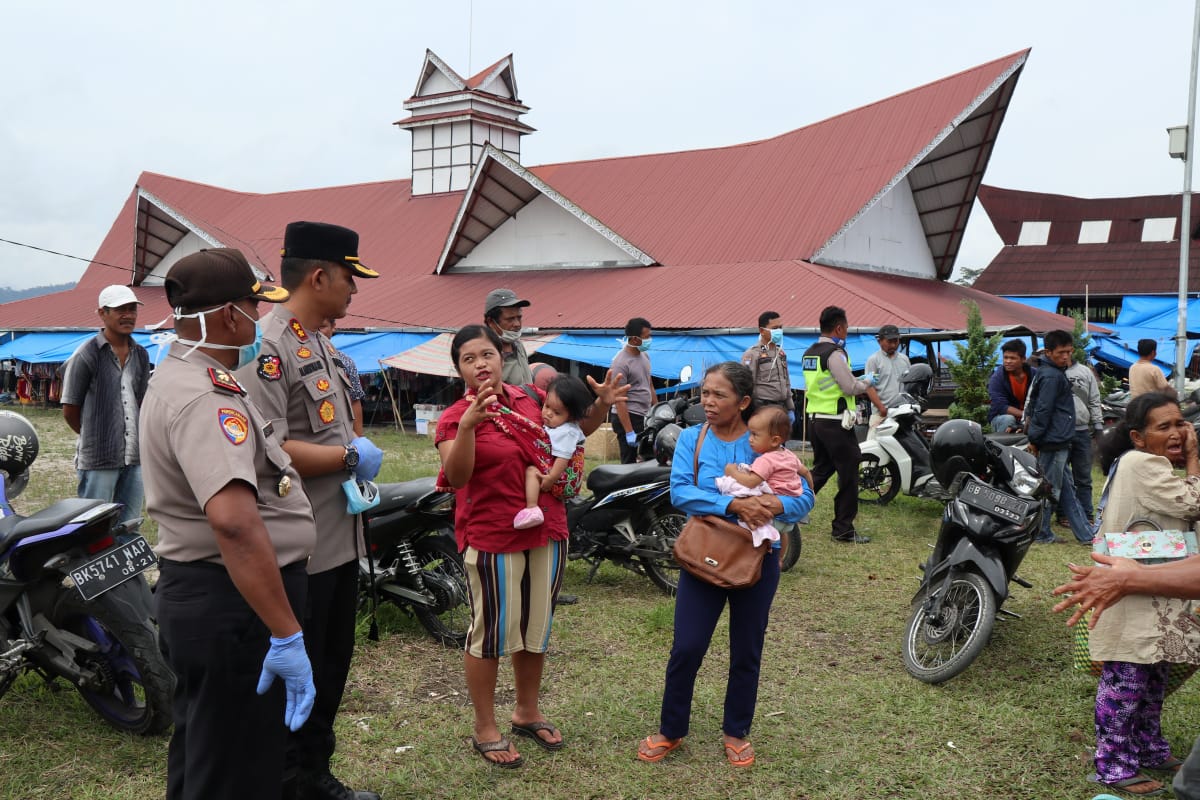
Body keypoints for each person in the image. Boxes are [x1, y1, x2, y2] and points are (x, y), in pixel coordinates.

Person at [141, 248, 317, 800]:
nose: (259, 318)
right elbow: (235, 524)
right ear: (227, 314)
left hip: (217, 597)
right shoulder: (204, 396)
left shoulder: (188, 377)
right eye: (253, 305)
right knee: (237, 769)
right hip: (233, 605)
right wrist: (286, 632)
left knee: (209, 755)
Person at [238, 221, 384, 800]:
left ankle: (315, 775)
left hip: (339, 537)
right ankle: (287, 782)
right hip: (301, 546)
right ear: (319, 276)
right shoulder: (268, 345)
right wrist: (348, 455)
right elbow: (267, 447)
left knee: (331, 665)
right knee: (298, 677)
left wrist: (350, 451)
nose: (355, 289)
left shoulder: (318, 341)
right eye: (350, 276)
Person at [435, 325, 626, 768]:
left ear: (501, 357)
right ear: (459, 369)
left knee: (535, 628)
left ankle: (526, 711)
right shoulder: (454, 417)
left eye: (487, 354)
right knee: (490, 633)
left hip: (547, 530)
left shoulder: (530, 400)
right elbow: (457, 477)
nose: (481, 364)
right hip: (493, 535)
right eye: (469, 359)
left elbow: (572, 434)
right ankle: (486, 726)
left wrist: (601, 405)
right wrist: (469, 427)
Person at [637, 362, 814, 768]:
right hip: (704, 556)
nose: (709, 402)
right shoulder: (692, 438)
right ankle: (671, 730)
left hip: (757, 561)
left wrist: (773, 504)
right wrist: (734, 504)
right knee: (687, 647)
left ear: (744, 401)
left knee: (747, 649)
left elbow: (804, 498)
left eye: (720, 395)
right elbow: (681, 492)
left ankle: (736, 731)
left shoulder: (767, 442)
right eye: (706, 393)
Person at [1051, 392, 1200, 798]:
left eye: (1180, 423)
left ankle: (1149, 748)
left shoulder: (1144, 464)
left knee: (1152, 677)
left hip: (1150, 589)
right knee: (1126, 682)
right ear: (1138, 436)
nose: (1177, 433)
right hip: (1132, 593)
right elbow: (1193, 502)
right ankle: (1113, 765)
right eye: (1164, 427)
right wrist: (1193, 458)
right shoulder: (1141, 463)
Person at [60, 284, 150, 528]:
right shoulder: (86, 354)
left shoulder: (141, 354)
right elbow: (70, 409)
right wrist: (96, 436)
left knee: (129, 526)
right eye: (121, 310)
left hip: (134, 456)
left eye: (132, 309)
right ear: (102, 313)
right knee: (94, 527)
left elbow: (141, 401)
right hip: (98, 459)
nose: (128, 315)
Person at [800, 306, 885, 544]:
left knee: (822, 468)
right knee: (849, 473)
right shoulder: (835, 353)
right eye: (846, 328)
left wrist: (857, 381)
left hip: (816, 418)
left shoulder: (809, 353)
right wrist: (866, 382)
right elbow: (849, 387)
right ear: (839, 328)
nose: (846, 332)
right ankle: (843, 528)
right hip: (835, 422)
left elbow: (828, 383)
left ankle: (791, 507)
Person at [1026, 330, 1094, 545]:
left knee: (1066, 489)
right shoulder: (1051, 376)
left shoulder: (1051, 372)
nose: (1066, 357)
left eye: (1069, 352)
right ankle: (1042, 532)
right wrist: (1034, 438)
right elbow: (1042, 409)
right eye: (1061, 353)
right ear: (1048, 352)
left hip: (1057, 438)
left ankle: (1086, 535)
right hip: (1052, 441)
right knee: (1051, 490)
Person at [719, 405, 812, 545]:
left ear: (774, 440)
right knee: (780, 539)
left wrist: (733, 472)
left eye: (755, 435)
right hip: (789, 514)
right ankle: (778, 554)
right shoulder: (789, 455)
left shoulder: (766, 460)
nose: (750, 439)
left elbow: (751, 481)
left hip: (772, 515)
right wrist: (811, 490)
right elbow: (805, 472)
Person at [515, 375, 591, 529]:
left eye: (556, 412)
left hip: (561, 478)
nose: (548, 413)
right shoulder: (558, 427)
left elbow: (563, 457)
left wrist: (551, 478)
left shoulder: (567, 431)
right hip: (562, 478)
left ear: (571, 416)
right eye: (546, 406)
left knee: (531, 472)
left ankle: (532, 509)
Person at [1062, 352, 1105, 525]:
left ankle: (1087, 514)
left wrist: (1098, 425)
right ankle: (1063, 514)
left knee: (1083, 477)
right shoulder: (1048, 372)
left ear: (1071, 350)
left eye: (1066, 350)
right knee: (1061, 477)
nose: (1064, 355)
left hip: (1081, 431)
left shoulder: (1085, 372)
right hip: (1059, 432)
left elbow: (1094, 400)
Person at [610, 317, 654, 464]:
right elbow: (619, 400)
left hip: (644, 415)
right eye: (646, 337)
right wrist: (629, 432)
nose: (650, 340)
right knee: (629, 463)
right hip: (628, 415)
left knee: (649, 460)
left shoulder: (645, 356)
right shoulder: (621, 363)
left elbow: (649, 385)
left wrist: (657, 409)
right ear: (635, 339)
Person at [741, 311, 796, 426]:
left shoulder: (780, 353)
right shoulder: (753, 354)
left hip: (782, 408)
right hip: (762, 408)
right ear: (762, 331)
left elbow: (786, 382)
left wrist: (791, 408)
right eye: (775, 328)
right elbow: (746, 385)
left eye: (780, 327)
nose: (779, 331)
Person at [318, 318, 365, 437]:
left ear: (333, 327)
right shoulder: (294, 359)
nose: (317, 332)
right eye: (314, 327)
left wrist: (359, 439)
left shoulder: (345, 362)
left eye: (322, 327)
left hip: (341, 433)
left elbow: (354, 399)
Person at [483, 288, 533, 385]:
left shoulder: (518, 346)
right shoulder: (483, 354)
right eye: (510, 319)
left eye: (519, 318)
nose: (517, 324)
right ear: (491, 322)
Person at [864, 323, 910, 426]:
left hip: (902, 412)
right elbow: (869, 387)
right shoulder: (873, 360)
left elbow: (908, 384)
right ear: (879, 341)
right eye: (889, 341)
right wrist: (882, 409)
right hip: (881, 414)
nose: (893, 345)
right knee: (874, 437)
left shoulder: (905, 359)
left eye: (896, 341)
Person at [987, 339, 1034, 433]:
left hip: (1029, 416)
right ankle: (1000, 442)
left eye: (1012, 358)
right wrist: (1025, 415)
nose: (1008, 361)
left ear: (1023, 359)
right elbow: (1000, 406)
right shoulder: (997, 377)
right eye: (1005, 357)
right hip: (1001, 417)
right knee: (1008, 419)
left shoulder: (1035, 375)